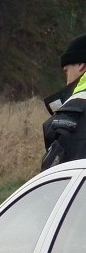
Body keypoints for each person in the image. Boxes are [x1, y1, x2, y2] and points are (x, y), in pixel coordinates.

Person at [41, 33, 86, 170]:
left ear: (81, 66)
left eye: (66, 71)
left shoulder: (74, 114)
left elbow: (59, 177)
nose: (66, 81)